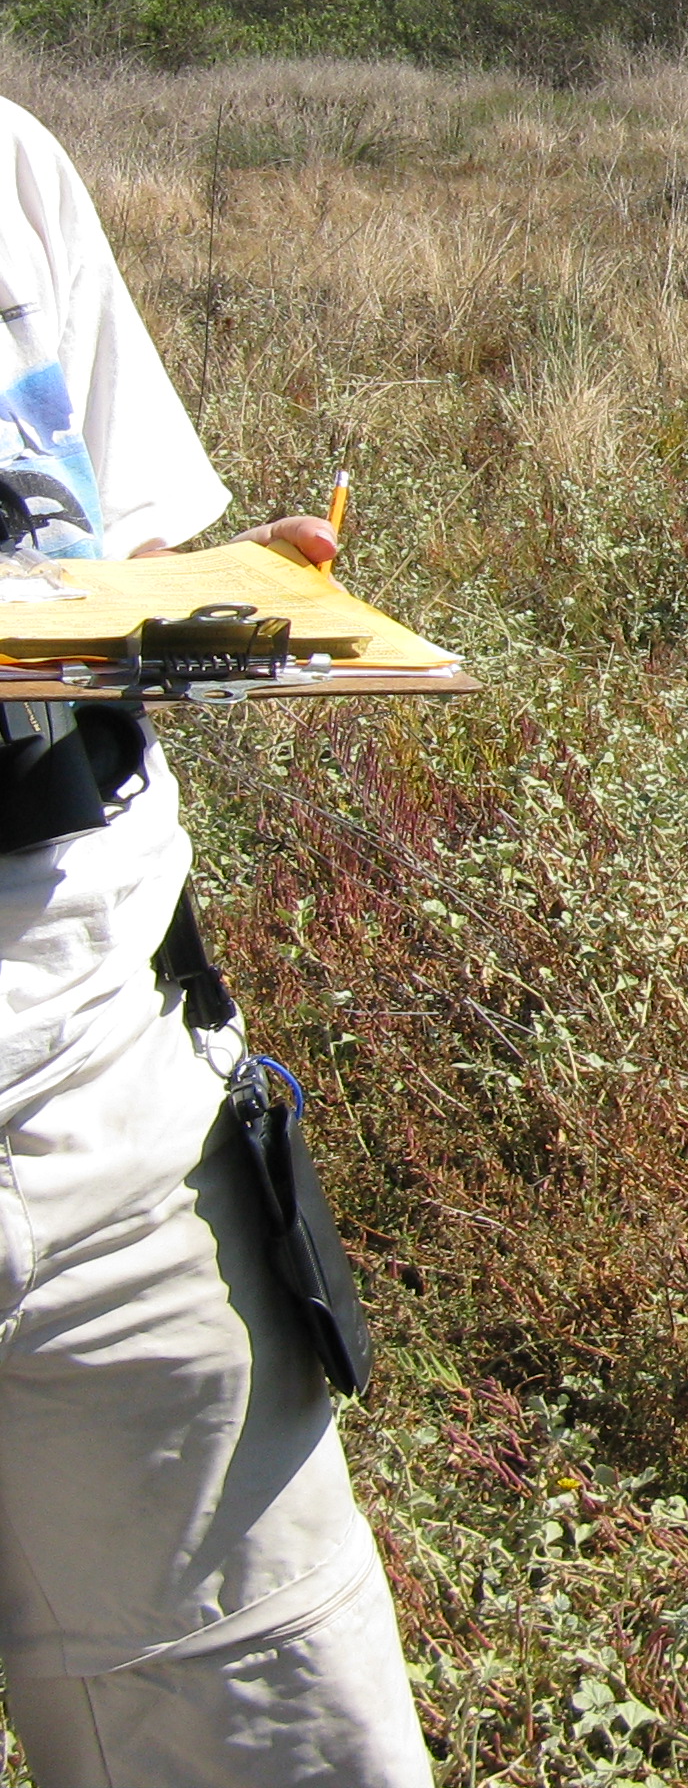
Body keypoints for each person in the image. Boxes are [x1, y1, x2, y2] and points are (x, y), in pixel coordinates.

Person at [0, 97, 431, 1785]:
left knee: (279, 1725)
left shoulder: (8, 165)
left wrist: (211, 597)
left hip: (116, 1107)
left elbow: (96, 551)